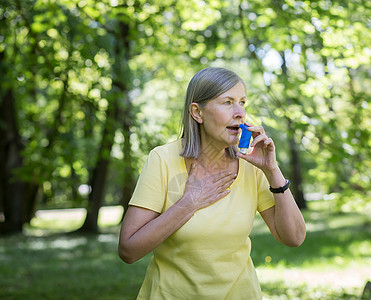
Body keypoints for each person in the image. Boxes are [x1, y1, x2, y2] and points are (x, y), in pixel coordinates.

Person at [118, 67, 306, 299]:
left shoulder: (251, 164)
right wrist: (189, 203)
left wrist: (272, 170)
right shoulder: (163, 160)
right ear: (197, 112)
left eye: (242, 102)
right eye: (227, 102)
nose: (240, 113)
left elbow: (294, 237)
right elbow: (128, 250)